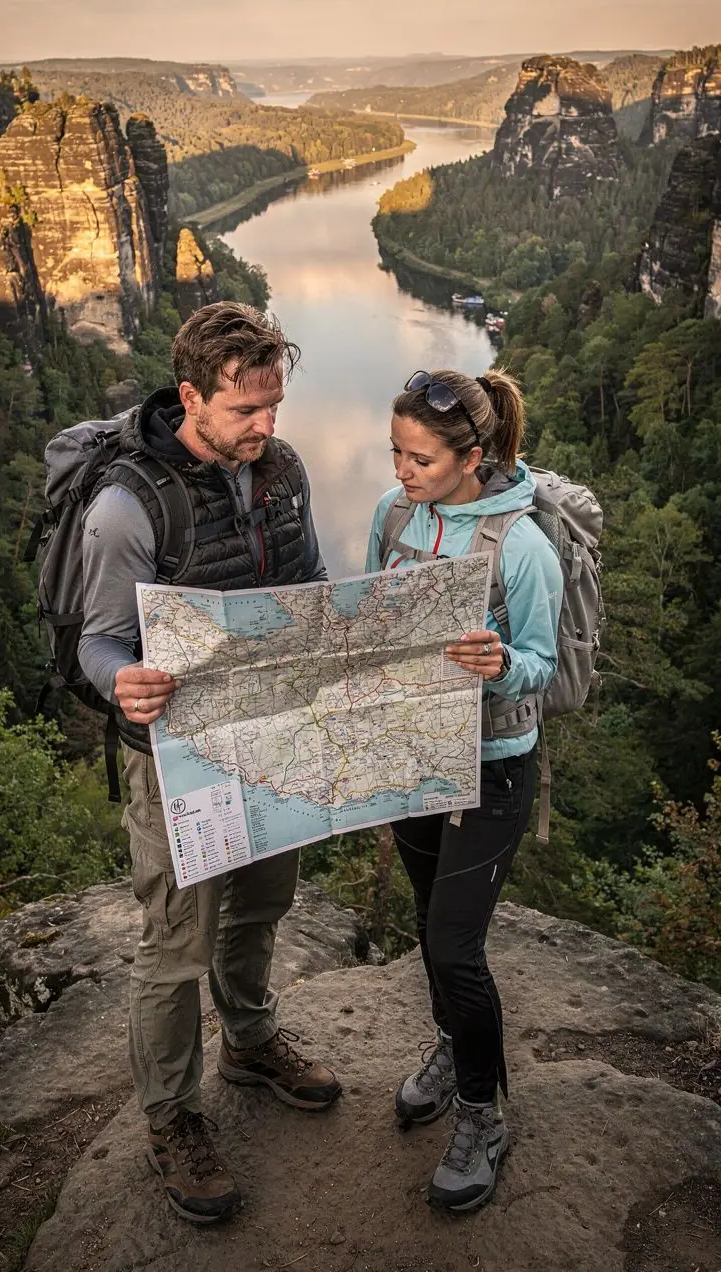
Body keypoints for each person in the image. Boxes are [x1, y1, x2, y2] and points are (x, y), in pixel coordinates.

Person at [79, 302, 341, 1226]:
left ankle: (253, 1041)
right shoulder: (126, 507)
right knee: (176, 943)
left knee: (264, 904)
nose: (267, 428)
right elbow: (98, 642)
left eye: (275, 405)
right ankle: (173, 1119)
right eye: (245, 411)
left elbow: (305, 586)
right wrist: (126, 683)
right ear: (191, 396)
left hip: (269, 734)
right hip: (177, 753)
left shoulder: (283, 470)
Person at [365, 366, 563, 1213]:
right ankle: (452, 1046)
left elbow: (542, 668)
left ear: (472, 455)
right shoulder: (394, 515)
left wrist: (498, 664)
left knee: (454, 944)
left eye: (420, 460)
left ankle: (484, 1110)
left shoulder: (521, 546)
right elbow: (373, 612)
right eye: (396, 454)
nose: (403, 473)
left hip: (493, 761)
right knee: (425, 922)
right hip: (415, 749)